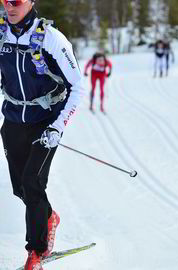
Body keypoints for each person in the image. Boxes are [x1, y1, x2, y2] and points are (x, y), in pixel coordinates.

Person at [0, 1, 86, 269]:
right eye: (4, 1)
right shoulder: (1, 35)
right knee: (20, 189)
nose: (9, 7)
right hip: (13, 119)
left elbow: (77, 87)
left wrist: (57, 126)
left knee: (32, 183)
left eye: (16, 1)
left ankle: (35, 253)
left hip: (45, 122)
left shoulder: (50, 38)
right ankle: (49, 217)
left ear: (31, 2)